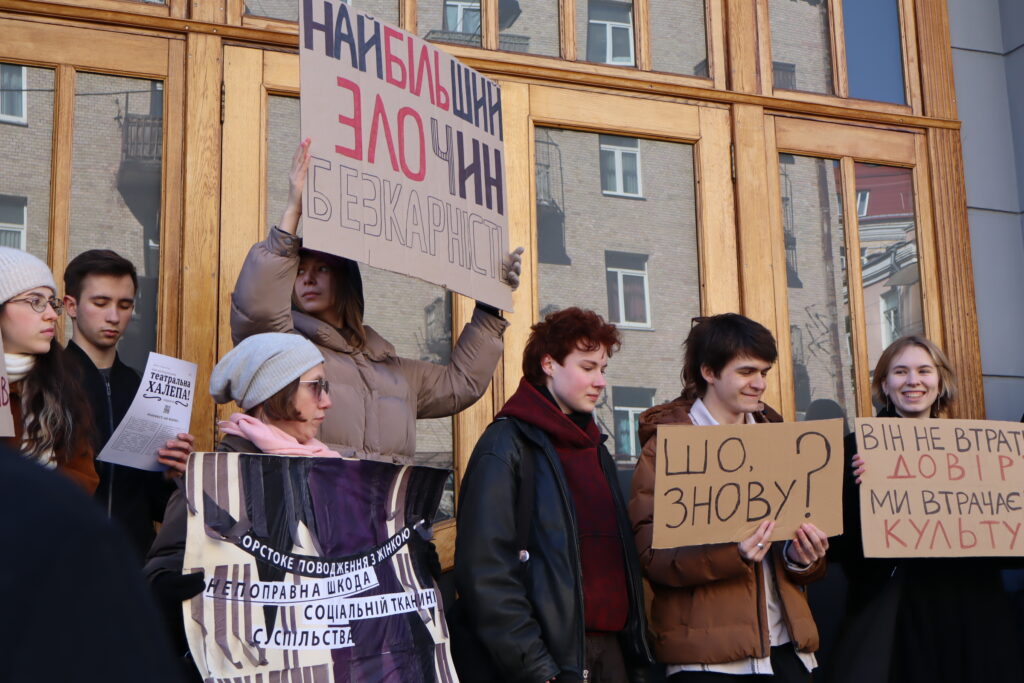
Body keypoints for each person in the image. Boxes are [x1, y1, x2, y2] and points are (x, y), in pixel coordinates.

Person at [230, 138, 521, 462]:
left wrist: (489, 305)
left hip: (386, 513)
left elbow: (461, 383)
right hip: (314, 511)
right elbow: (257, 312)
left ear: (346, 281)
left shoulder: (395, 370)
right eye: (300, 271)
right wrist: (293, 209)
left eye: (321, 268)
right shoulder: (288, 350)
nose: (308, 278)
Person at [453, 307, 652, 682]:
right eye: (588, 367)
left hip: (609, 657)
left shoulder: (596, 448)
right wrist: (537, 669)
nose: (600, 382)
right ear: (548, 364)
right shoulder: (506, 445)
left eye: (603, 370)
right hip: (548, 665)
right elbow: (486, 573)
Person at [629, 313, 828, 682]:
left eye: (765, 373)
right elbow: (650, 556)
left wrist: (801, 558)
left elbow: (796, 547)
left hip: (788, 651)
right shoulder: (668, 448)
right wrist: (731, 554)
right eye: (747, 372)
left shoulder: (780, 440)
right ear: (709, 372)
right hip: (708, 662)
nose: (759, 384)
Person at [827, 335, 1024, 683]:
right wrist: (859, 488)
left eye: (924, 371)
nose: (913, 381)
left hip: (972, 604)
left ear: (940, 381)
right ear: (884, 385)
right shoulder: (854, 451)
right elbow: (839, 545)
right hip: (900, 609)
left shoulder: (977, 451)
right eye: (900, 372)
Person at [146, 332, 338, 680]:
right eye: (315, 386)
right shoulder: (216, 476)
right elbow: (159, 579)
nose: (326, 401)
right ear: (276, 393)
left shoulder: (329, 471)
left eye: (326, 388)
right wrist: (190, 592)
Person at [0, 441, 185, 683]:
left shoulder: (70, 413)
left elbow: (154, 501)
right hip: (55, 563)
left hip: (124, 562)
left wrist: (173, 477)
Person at [63, 248, 175, 560]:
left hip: (134, 567)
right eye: (101, 303)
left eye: (125, 305)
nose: (114, 316)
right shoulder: (46, 383)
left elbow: (158, 503)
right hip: (62, 566)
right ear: (71, 305)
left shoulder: (144, 387)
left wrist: (175, 473)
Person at [0, 247, 98, 492]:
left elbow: (84, 479)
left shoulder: (62, 383)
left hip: (48, 526)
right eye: (35, 302)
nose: (52, 315)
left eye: (51, 303)